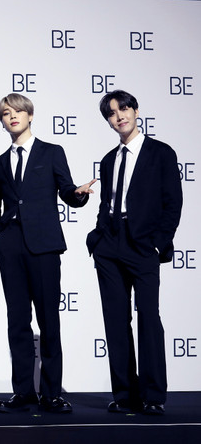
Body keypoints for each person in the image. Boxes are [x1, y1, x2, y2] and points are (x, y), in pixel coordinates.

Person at [0, 93, 96, 414]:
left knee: (49, 321)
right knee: (17, 321)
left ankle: (51, 394)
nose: (13, 116)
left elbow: (67, 190)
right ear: (2, 121)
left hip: (44, 246)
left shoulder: (51, 152)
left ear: (30, 115)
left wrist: (78, 194)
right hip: (11, 247)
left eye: (18, 111)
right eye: (6, 113)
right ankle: (23, 392)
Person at [86, 90, 182, 415]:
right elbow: (107, 203)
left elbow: (173, 202)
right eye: (112, 113)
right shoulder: (108, 160)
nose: (119, 116)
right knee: (115, 320)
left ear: (136, 111)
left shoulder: (161, 153)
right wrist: (97, 239)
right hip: (109, 243)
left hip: (143, 244)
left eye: (124, 109)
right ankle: (125, 394)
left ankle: (153, 395)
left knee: (149, 318)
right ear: (109, 122)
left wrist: (157, 242)